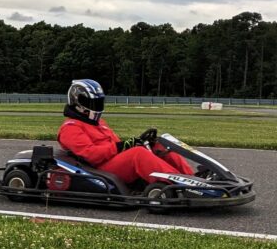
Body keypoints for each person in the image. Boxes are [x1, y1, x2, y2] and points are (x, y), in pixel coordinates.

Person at [57, 79, 193, 187]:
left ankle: (192, 178)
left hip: (111, 162)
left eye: (98, 103)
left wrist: (134, 143)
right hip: (98, 169)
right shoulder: (70, 128)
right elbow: (91, 155)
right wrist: (122, 146)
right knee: (138, 154)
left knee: (159, 146)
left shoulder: (99, 124)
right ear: (78, 104)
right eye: (92, 103)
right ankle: (180, 184)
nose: (97, 108)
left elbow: (117, 145)